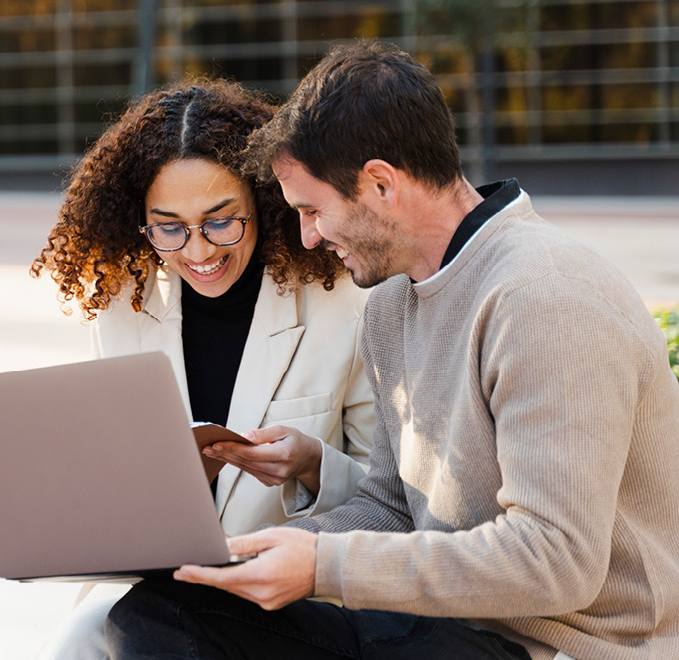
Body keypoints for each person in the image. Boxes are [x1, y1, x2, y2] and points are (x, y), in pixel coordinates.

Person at [104, 41, 679, 660]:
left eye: (313, 210)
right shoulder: (390, 305)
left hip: (562, 645)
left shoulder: (547, 297)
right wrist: (243, 556)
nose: (307, 236)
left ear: (381, 184)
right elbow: (390, 507)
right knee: (164, 611)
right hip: (436, 628)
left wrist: (325, 563)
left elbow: (556, 563)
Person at [30, 78, 375, 659]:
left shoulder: (345, 303)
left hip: (284, 601)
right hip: (147, 590)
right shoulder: (123, 304)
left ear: (265, 203)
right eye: (169, 227)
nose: (198, 251)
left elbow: (392, 494)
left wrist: (313, 465)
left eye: (221, 220)